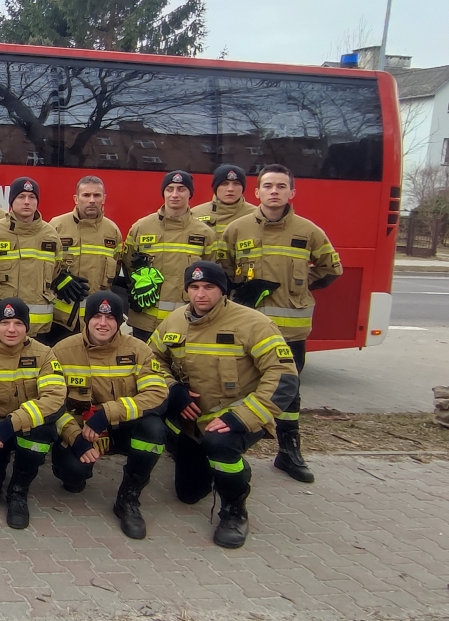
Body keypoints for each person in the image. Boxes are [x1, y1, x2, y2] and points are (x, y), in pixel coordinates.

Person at [149, 261, 300, 549]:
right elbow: (151, 360)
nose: (200, 294)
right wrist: (173, 390)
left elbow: (283, 376)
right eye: (194, 287)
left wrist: (241, 418)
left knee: (220, 445)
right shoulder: (175, 320)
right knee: (188, 494)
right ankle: (213, 463)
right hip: (195, 422)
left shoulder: (253, 323)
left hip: (236, 417)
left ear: (223, 290)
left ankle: (234, 510)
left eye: (209, 287)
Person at [220, 164, 342, 484]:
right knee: (238, 387)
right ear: (257, 192)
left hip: (291, 331)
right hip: (246, 329)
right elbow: (223, 269)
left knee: (289, 391)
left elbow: (331, 268)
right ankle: (231, 450)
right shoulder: (237, 229)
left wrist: (298, 287)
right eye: (268, 186)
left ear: (292, 192)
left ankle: (288, 451)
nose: (274, 191)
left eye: (281, 186)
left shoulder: (309, 231)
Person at [50, 291, 169, 539]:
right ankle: (77, 474)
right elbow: (51, 403)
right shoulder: (62, 351)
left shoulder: (139, 350)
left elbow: (157, 392)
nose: (103, 323)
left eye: (110, 318)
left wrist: (107, 413)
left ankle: (129, 497)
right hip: (82, 431)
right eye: (96, 316)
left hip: (124, 427)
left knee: (154, 430)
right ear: (86, 319)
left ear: (119, 321)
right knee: (72, 474)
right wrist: (74, 437)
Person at [0, 298, 67, 529]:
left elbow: (54, 397)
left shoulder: (44, 354)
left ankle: (18, 490)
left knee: (42, 434)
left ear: (27, 326)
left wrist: (11, 423)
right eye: (5, 323)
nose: (11, 329)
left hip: (24, 427)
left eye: (18, 323)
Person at [0, 177, 88, 345]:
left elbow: (56, 271)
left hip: (38, 327)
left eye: (32, 197)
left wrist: (63, 279)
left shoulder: (51, 235)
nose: (27, 202)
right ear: (11, 200)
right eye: (21, 196)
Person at [119, 170, 216, 342]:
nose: (174, 194)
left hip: (187, 321)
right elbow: (127, 266)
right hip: (145, 321)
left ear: (190, 193)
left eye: (181, 189)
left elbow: (211, 277)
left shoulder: (204, 234)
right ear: (163, 193)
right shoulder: (141, 228)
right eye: (169, 189)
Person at [50, 176, 123, 345]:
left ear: (104, 198)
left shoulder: (112, 232)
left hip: (98, 322)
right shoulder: (56, 226)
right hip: (61, 321)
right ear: (76, 199)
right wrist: (58, 279)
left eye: (97, 195)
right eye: (86, 195)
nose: (92, 200)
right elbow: (43, 267)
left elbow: (117, 267)